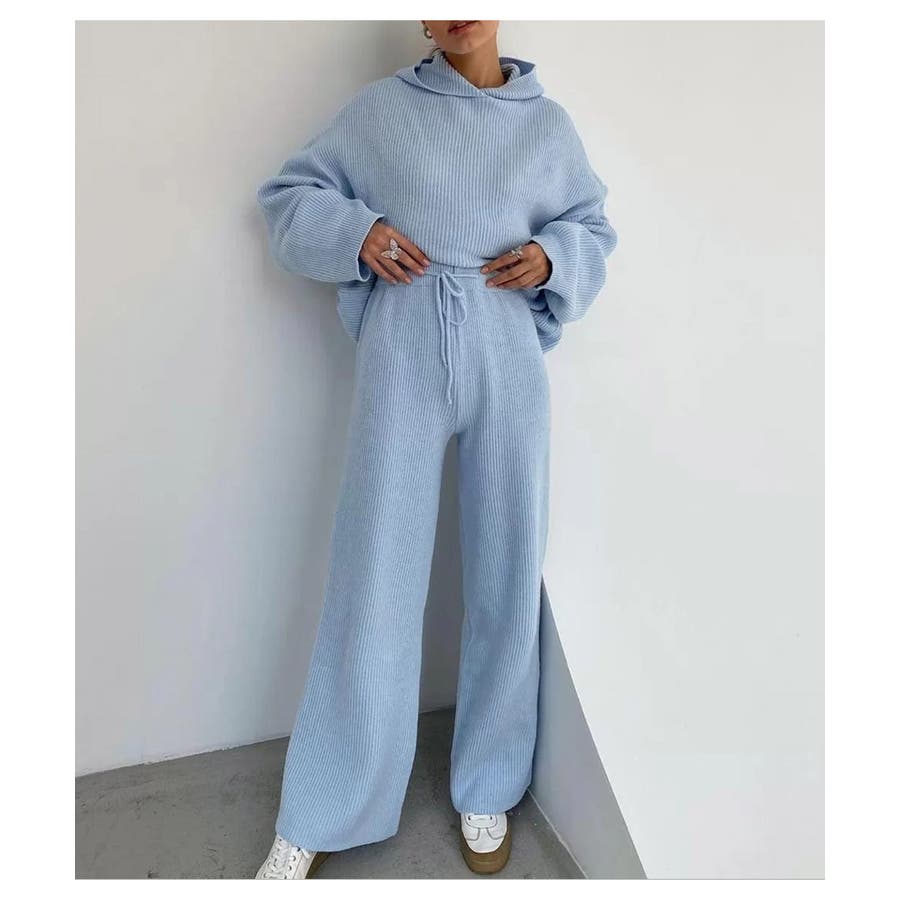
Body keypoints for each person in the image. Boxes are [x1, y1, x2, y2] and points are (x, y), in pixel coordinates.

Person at [254, 20, 617, 879]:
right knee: (374, 572)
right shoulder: (382, 111)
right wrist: (358, 233)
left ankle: (488, 782)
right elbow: (288, 198)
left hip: (507, 357)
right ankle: (325, 802)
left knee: (506, 568)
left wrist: (552, 256)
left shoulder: (546, 125)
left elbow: (593, 228)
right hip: (405, 350)